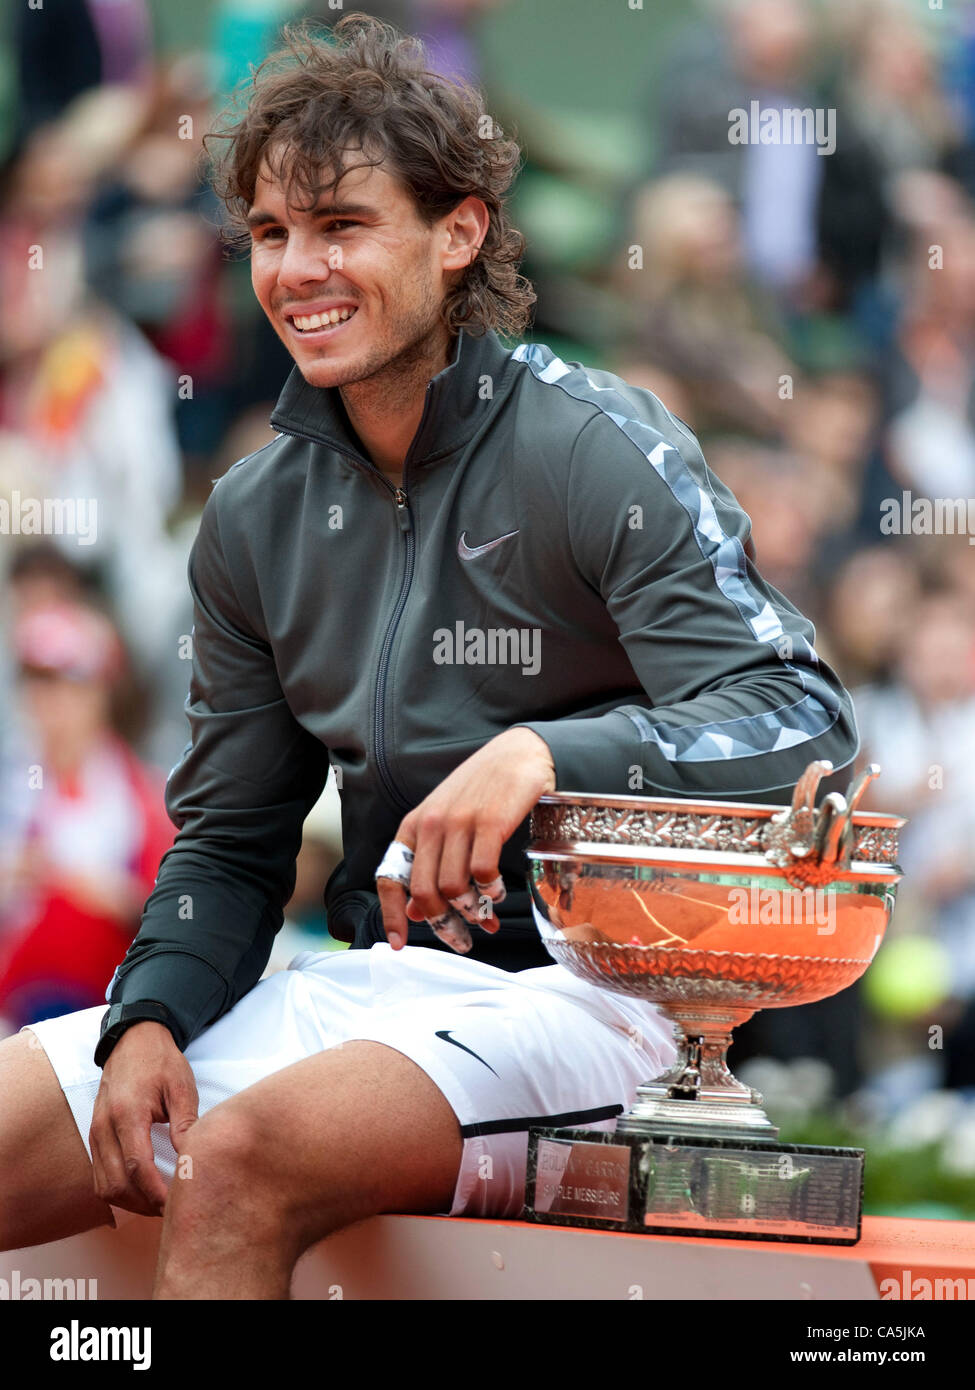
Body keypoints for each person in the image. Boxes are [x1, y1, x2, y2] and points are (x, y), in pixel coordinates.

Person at [0, 15, 859, 1298]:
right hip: (369, 984)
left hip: (594, 1003)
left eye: (341, 225)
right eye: (273, 235)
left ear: (458, 234)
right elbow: (231, 840)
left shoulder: (596, 443)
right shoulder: (250, 515)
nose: (298, 269)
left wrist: (543, 756)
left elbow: (798, 716)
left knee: (236, 1157)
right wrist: (151, 1017)